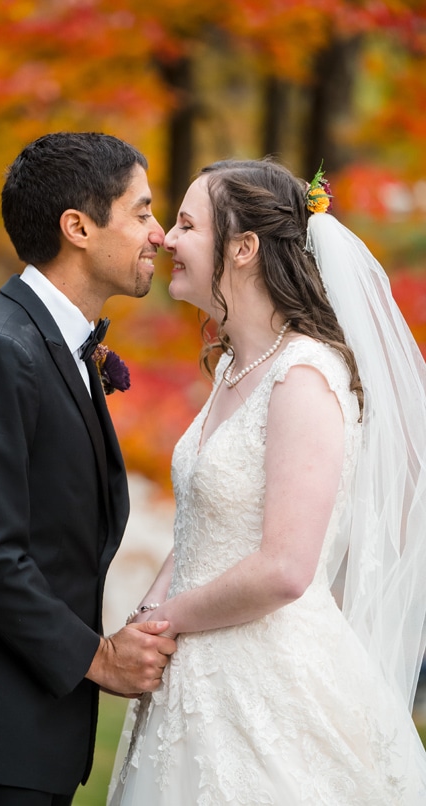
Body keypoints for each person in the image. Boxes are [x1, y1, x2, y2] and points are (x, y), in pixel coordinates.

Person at [109, 159, 426, 804]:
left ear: (245, 248)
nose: (166, 238)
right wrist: (146, 615)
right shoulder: (233, 368)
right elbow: (205, 522)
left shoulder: (304, 377)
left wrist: (168, 617)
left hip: (268, 678)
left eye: (188, 224)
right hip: (194, 670)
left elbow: (286, 567)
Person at [0, 132, 177, 805]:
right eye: (141, 212)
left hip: (17, 735)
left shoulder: (46, 345)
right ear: (77, 227)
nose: (157, 234)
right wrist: (100, 659)